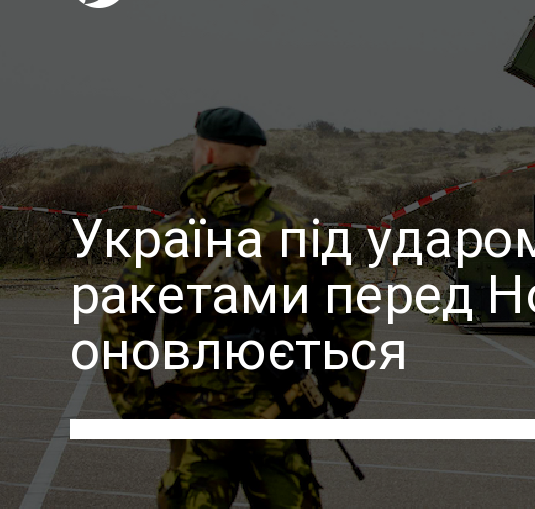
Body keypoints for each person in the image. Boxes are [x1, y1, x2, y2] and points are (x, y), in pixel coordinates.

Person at [101, 107, 374, 508]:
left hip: (198, 420)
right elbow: (351, 313)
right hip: (279, 412)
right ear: (253, 157)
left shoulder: (167, 236)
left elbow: (121, 324)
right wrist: (337, 391)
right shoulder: (300, 231)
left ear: (208, 154)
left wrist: (145, 410)